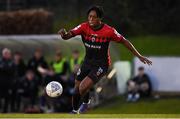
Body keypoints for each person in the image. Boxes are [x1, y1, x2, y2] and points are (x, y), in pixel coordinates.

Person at [58, 5, 152, 114]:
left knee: (82, 87)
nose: (91, 19)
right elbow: (68, 35)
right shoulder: (84, 27)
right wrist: (63, 35)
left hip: (101, 65)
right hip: (87, 62)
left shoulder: (109, 31)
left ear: (99, 18)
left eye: (94, 17)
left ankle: (85, 104)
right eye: (89, 16)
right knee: (77, 88)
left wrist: (139, 55)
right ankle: (74, 111)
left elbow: (124, 41)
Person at [0, 48, 15, 113]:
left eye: (7, 53)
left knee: (7, 97)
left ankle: (5, 111)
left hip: (8, 83)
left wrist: (3, 68)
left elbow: (11, 71)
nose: (6, 54)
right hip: (0, 83)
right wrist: (5, 69)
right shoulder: (0, 61)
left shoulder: (12, 62)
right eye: (5, 53)